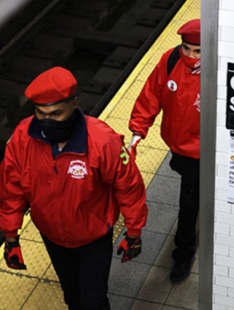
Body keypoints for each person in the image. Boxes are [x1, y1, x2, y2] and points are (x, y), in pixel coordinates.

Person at [0, 67, 148, 310]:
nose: (47, 121)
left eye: (56, 113)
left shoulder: (102, 140)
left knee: (94, 302)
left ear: (74, 104)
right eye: (41, 113)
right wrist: (11, 236)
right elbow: (11, 189)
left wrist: (134, 231)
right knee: (72, 296)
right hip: (52, 236)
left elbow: (129, 186)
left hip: (93, 237)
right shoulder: (22, 137)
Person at [128, 19, 200, 283]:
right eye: (187, 49)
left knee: (188, 203)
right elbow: (151, 95)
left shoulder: (218, 71)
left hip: (202, 153)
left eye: (198, 51)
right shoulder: (170, 60)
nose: (191, 56)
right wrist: (138, 130)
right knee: (191, 191)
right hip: (178, 145)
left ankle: (183, 253)